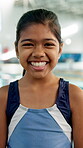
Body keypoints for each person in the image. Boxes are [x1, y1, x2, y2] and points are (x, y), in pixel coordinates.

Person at [0, 9, 83, 148]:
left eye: (48, 44)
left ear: (60, 49)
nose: (38, 53)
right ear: (17, 50)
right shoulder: (4, 96)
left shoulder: (74, 96)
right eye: (28, 44)